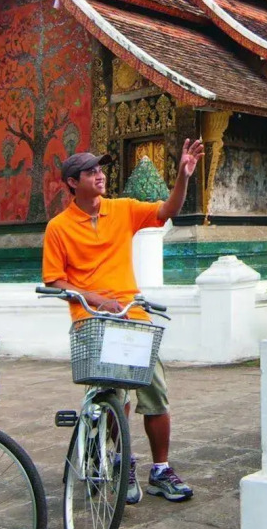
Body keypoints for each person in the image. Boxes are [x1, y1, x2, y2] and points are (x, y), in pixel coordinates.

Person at [42, 139, 204, 505]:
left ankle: (160, 469)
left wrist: (183, 175)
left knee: (155, 392)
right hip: (92, 320)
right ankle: (121, 458)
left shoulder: (123, 210)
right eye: (91, 172)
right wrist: (97, 299)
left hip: (133, 316)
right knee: (115, 395)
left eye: (100, 170)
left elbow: (167, 210)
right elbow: (54, 280)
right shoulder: (59, 227)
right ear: (72, 182)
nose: (100, 176)